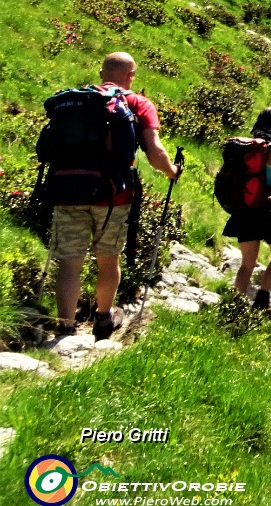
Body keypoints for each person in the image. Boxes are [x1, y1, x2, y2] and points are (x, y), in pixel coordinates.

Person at [52, 52, 182, 340]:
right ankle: (103, 319)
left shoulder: (74, 100)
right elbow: (154, 150)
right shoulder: (137, 103)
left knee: (70, 262)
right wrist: (172, 171)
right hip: (113, 196)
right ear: (131, 75)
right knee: (108, 260)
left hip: (68, 191)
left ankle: (65, 327)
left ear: (101, 72)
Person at [224, 107, 271, 311]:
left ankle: (234, 307)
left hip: (244, 210)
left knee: (247, 264)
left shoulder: (242, 146)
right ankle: (262, 296)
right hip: (269, 212)